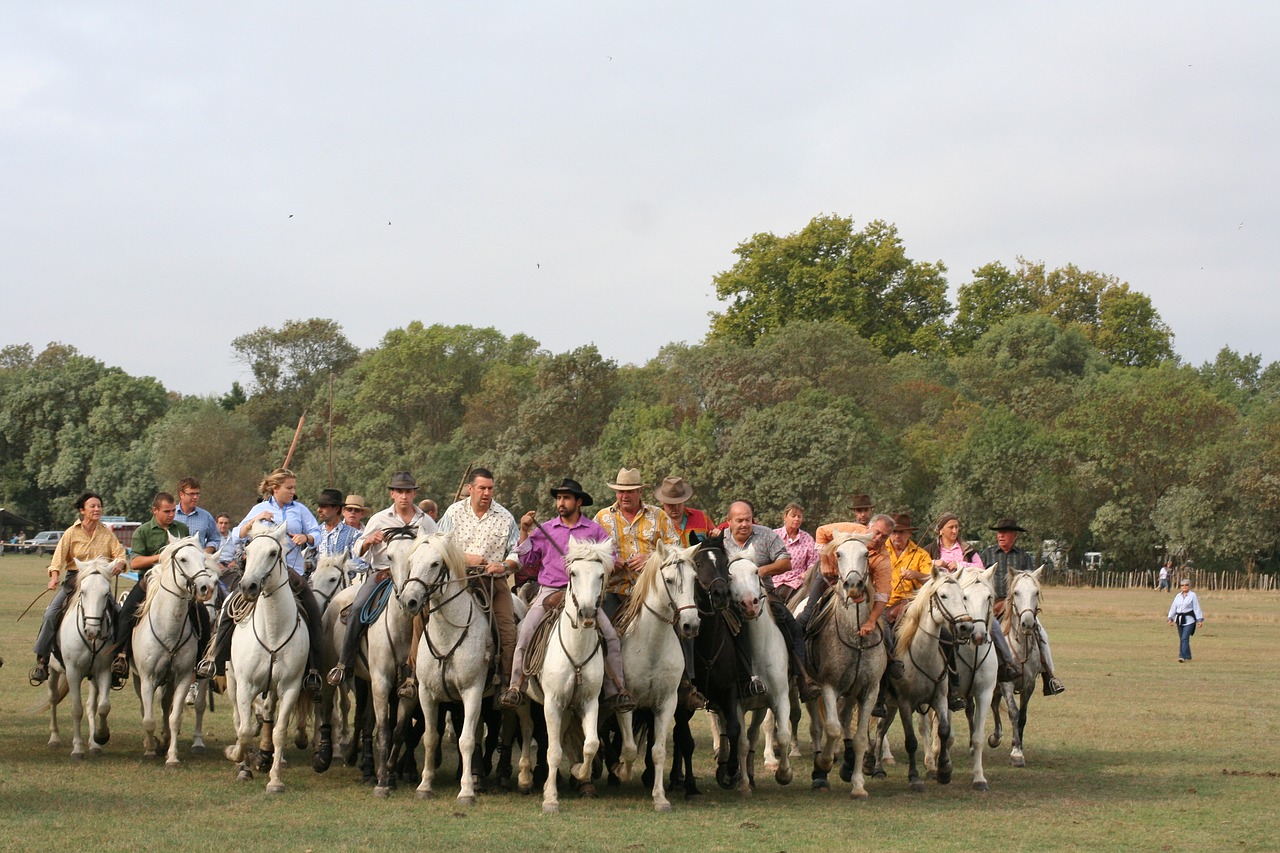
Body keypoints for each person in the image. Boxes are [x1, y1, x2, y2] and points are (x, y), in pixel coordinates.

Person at [500, 478, 634, 712]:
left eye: (566, 498)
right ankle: (515, 686)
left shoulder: (593, 530)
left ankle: (616, 691)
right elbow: (527, 560)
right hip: (549, 591)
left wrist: (604, 560)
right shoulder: (547, 529)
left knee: (611, 636)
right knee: (526, 632)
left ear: (578, 502)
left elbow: (609, 558)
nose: (561, 502)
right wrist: (524, 531)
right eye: (559, 498)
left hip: (584, 594)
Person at [196, 468, 325, 696]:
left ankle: (313, 669)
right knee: (230, 607)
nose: (293, 492)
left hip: (290, 574)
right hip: (259, 574)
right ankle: (215, 659)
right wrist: (255, 520)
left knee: (314, 612)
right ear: (275, 488)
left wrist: (307, 537)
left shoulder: (300, 510)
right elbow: (237, 535)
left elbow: (317, 531)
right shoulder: (259, 509)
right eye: (289, 488)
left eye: (294, 488)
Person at [326, 472, 437, 688]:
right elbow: (358, 549)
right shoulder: (379, 519)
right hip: (382, 574)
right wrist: (369, 540)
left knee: (436, 613)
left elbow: (436, 549)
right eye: (400, 492)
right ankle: (344, 663)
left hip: (415, 579)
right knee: (357, 607)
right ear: (392, 494)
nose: (404, 496)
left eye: (408, 492)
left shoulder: (426, 521)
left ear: (414, 493)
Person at [435, 468, 521, 697]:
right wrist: (465, 558)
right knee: (422, 616)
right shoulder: (454, 513)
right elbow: (438, 545)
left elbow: (518, 553)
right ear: (470, 489)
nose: (486, 493)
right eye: (482, 488)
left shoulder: (505, 517)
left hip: (493, 581)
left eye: (490, 488)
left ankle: (505, 684)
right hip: (457, 579)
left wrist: (503, 566)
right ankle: (413, 676)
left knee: (507, 629)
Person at [29, 492, 128, 685]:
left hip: (99, 583)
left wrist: (120, 564)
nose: (97, 509)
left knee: (119, 613)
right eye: (92, 506)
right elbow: (57, 560)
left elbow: (120, 555)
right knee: (51, 614)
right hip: (75, 580)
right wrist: (54, 578)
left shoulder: (107, 534)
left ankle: (117, 661)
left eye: (99, 506)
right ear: (82, 510)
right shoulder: (70, 533)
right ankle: (42, 660)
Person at [724, 500, 816, 701]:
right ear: (728, 521)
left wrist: (762, 570)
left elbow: (786, 562)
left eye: (748, 520)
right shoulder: (721, 540)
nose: (744, 524)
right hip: (730, 601)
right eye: (739, 520)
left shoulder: (766, 535)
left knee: (793, 627)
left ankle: (803, 679)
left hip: (765, 593)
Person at [799, 514, 895, 704]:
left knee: (887, 633)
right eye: (877, 533)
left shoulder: (882, 558)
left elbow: (883, 593)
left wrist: (871, 621)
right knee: (806, 616)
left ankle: (889, 670)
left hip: (860, 585)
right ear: (869, 527)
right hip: (829, 575)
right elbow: (821, 531)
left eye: (884, 537)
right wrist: (825, 561)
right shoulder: (850, 529)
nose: (879, 539)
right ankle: (796, 666)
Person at [112, 492, 204, 682]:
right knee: (126, 612)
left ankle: (201, 661)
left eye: (172, 511)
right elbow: (135, 562)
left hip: (178, 585)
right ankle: (121, 656)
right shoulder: (143, 531)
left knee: (201, 612)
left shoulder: (182, 529)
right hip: (149, 583)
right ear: (155, 511)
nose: (171, 515)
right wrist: (162, 556)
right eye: (166, 511)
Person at [979, 518, 1064, 695]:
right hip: (990, 607)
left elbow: (1030, 584)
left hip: (1018, 607)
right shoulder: (986, 555)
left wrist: (1010, 603)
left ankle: (1049, 677)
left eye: (1005, 532)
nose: (1000, 535)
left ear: (1014, 535)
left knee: (1041, 634)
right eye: (999, 532)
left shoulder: (1024, 557)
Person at [593, 468, 680, 619]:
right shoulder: (602, 518)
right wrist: (609, 560)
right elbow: (590, 553)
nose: (624, 496)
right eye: (621, 491)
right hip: (613, 590)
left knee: (681, 626)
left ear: (640, 492)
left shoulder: (659, 516)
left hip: (652, 591)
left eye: (630, 491)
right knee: (601, 634)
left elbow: (676, 550)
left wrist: (651, 559)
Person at [872, 512, 932, 716]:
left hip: (910, 605)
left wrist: (916, 575)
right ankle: (879, 693)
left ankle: (949, 683)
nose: (897, 536)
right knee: (878, 640)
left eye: (902, 532)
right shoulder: (880, 551)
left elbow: (932, 579)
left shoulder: (921, 554)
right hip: (881, 604)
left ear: (909, 533)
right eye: (895, 532)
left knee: (943, 634)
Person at [770, 502, 817, 601]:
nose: (796, 519)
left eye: (799, 516)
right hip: (775, 581)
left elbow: (813, 562)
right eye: (793, 516)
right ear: (785, 517)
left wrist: (807, 573)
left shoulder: (807, 538)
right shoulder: (774, 535)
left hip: (798, 582)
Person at [654, 476, 716, 547]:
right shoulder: (654, 523)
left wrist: (715, 535)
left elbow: (714, 537)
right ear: (662, 502)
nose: (676, 507)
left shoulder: (701, 517)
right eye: (671, 504)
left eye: (679, 503)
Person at [312, 488, 362, 565]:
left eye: (324, 506)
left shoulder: (354, 535)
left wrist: (340, 566)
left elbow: (362, 564)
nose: (319, 510)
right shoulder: (315, 533)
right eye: (319, 506)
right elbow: (310, 559)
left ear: (336, 509)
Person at [174, 477, 220, 554]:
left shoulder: (206, 517)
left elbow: (215, 538)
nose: (195, 497)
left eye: (197, 494)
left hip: (199, 563)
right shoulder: (170, 515)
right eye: (191, 494)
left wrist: (205, 552)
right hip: (175, 563)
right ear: (181, 494)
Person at [1168, 579, 1205, 662]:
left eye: (1186, 585)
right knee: (1182, 639)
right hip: (1179, 620)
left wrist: (1199, 620)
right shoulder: (1178, 596)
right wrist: (1170, 618)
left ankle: (1182, 656)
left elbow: (1196, 607)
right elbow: (1173, 607)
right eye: (1182, 585)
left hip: (1190, 620)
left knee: (1184, 638)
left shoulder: (1192, 595)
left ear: (1189, 586)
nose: (1184, 587)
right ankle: (1188, 656)